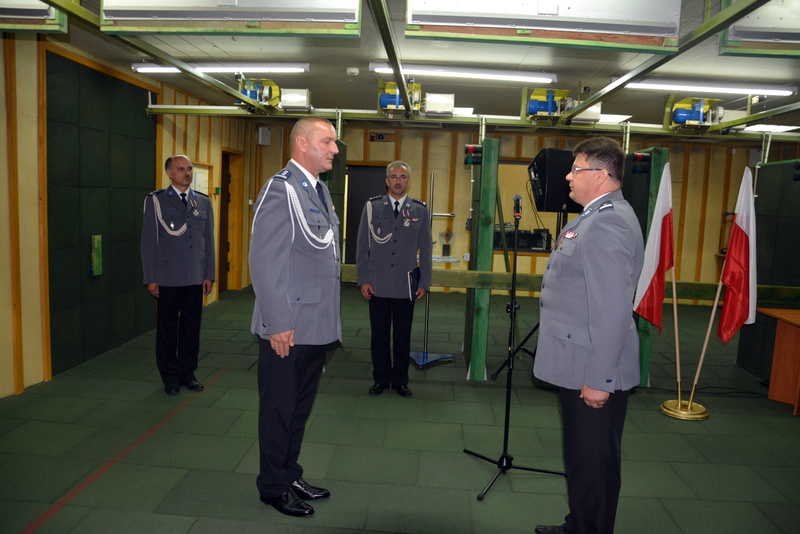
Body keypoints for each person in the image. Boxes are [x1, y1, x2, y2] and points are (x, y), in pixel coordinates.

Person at [533, 137, 644, 534]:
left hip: (591, 368)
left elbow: (612, 311)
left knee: (593, 463)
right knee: (584, 460)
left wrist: (599, 379)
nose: (568, 176)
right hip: (579, 359)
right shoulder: (594, 216)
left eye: (576, 169)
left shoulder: (607, 223)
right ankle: (578, 524)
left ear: (600, 176)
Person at [249, 116, 341, 518]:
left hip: (314, 323)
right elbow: (263, 261)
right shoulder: (280, 189)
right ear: (302, 144)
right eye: (328, 141)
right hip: (287, 326)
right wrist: (278, 322)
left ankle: (289, 474)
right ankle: (272, 487)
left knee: (299, 408)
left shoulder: (318, 189)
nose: (335, 149)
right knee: (278, 410)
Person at [356, 161, 432, 398]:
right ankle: (380, 379)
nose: (398, 181)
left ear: (409, 181)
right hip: (377, 283)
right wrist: (363, 279)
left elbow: (426, 249)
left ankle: (400, 380)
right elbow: (362, 246)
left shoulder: (419, 210)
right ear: (387, 181)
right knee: (379, 335)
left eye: (403, 177)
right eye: (394, 177)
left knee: (402, 336)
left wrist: (424, 282)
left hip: (405, 285)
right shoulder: (372, 207)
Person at [141, 154, 215, 396]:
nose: (187, 173)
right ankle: (170, 377)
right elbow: (148, 242)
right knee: (167, 329)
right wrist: (151, 277)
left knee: (191, 329)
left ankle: (188, 373)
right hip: (168, 277)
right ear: (170, 173)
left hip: (195, 276)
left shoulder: (202, 202)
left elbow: (208, 241)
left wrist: (209, 274)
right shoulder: (157, 201)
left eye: (189, 169)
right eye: (181, 169)